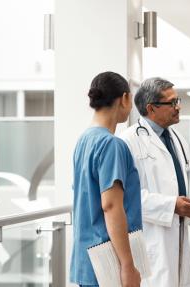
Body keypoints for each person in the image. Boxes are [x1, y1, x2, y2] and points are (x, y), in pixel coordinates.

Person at [119, 77, 190, 287]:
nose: (179, 107)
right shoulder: (128, 141)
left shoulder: (178, 139)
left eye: (178, 101)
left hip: (178, 234)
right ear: (151, 108)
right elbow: (125, 197)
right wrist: (171, 205)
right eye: (172, 102)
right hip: (151, 238)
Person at [70, 71, 142, 287]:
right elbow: (111, 206)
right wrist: (128, 265)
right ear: (125, 98)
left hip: (87, 259)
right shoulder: (112, 145)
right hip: (109, 262)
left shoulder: (84, 141)